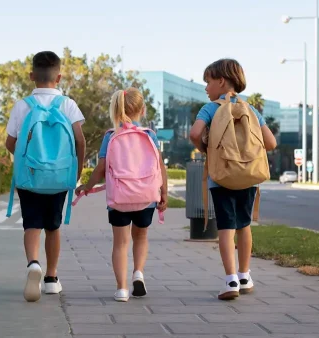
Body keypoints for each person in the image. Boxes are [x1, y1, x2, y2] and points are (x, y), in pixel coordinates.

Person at [189, 59, 277, 300]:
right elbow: (271, 143)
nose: (206, 88)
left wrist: (206, 149)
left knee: (226, 228)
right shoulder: (252, 110)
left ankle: (230, 281)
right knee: (244, 225)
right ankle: (245, 276)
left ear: (221, 81)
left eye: (207, 82)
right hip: (248, 177)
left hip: (222, 176)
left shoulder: (210, 109)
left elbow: (195, 133)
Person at [5, 51, 86, 302]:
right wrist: (77, 170)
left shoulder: (22, 106)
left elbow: (10, 143)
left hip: (30, 177)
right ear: (59, 77)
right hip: (59, 177)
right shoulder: (68, 105)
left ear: (32, 76)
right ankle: (51, 278)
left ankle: (33, 264)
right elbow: (79, 141)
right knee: (53, 226)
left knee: (32, 224)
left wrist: (26, 159)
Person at [76, 88, 168, 302]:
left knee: (120, 243)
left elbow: (100, 168)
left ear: (116, 109)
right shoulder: (149, 135)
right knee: (141, 237)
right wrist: (163, 192)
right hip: (145, 197)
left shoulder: (111, 136)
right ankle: (138, 273)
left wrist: (87, 187)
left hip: (119, 198)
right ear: (143, 110)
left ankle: (122, 289)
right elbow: (160, 166)